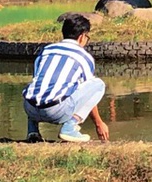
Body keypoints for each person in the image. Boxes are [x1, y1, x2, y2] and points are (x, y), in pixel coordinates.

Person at [23, 12, 110, 144]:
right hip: (56, 112)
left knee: (39, 86)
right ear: (82, 37)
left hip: (30, 108)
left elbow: (37, 81)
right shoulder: (84, 57)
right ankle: (70, 127)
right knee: (98, 84)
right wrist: (98, 123)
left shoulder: (46, 51)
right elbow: (88, 93)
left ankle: (33, 131)